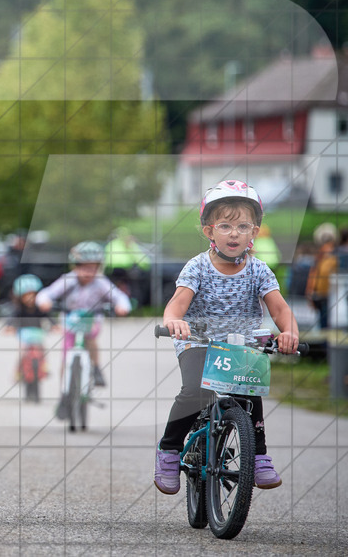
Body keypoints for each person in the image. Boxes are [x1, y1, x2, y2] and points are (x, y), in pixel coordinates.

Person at [153, 179, 299, 495]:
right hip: (198, 339)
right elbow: (176, 305)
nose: (234, 233)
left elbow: (280, 308)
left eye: (243, 226)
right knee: (194, 390)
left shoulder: (259, 270)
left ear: (255, 232)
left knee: (250, 392)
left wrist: (289, 332)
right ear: (209, 231)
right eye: (225, 225)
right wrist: (174, 322)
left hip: (241, 341)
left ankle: (258, 455)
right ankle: (169, 450)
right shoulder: (198, 267)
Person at [36, 240, 130, 389]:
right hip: (70, 322)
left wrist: (122, 306)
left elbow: (119, 297)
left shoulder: (101, 282)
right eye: (84, 268)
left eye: (93, 268)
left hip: (92, 321)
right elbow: (47, 293)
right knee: (66, 357)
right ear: (75, 266)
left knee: (91, 337)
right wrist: (44, 301)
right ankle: (64, 391)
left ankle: (95, 367)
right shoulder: (68, 279)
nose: (88, 272)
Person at [4, 274, 52, 401]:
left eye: (33, 294)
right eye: (26, 295)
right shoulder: (19, 309)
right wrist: (9, 327)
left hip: (38, 333)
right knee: (22, 351)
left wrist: (55, 325)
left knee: (42, 348)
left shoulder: (39, 308)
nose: (30, 298)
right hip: (24, 334)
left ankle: (44, 366)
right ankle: (18, 371)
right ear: (20, 297)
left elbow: (48, 317)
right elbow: (12, 319)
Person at [305, 222, 338, 330]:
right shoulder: (320, 258)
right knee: (322, 322)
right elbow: (314, 274)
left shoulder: (333, 258)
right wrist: (310, 291)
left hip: (327, 294)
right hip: (320, 294)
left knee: (325, 322)